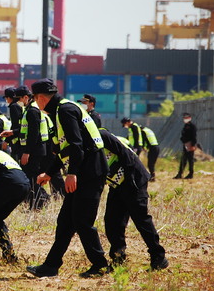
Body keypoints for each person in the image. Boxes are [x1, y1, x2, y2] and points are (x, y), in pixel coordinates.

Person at [26, 79, 110, 278]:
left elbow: (76, 145)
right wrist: (49, 173)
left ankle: (101, 265)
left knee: (82, 221)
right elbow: (64, 150)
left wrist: (72, 173)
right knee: (65, 221)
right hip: (84, 169)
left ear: (40, 98)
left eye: (35, 100)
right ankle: (51, 266)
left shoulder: (65, 111)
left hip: (89, 170)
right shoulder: (59, 112)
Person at [99, 128, 168, 271]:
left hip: (133, 179)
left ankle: (158, 257)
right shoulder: (83, 143)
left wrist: (131, 180)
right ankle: (118, 258)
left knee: (141, 219)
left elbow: (126, 154)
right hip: (117, 184)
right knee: (112, 221)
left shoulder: (102, 135)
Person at [16, 85, 51, 209]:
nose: (17, 102)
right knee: (31, 177)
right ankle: (38, 201)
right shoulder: (30, 109)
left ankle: (39, 202)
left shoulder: (32, 111)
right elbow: (27, 130)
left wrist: (27, 152)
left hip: (34, 151)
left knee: (30, 178)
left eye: (18, 99)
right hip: (35, 149)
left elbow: (33, 134)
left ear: (26, 97)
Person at [1, 87, 23, 162]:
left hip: (17, 141)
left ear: (9, 98)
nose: (6, 100)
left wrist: (6, 140)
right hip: (21, 138)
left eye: (6, 98)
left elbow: (15, 125)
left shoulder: (14, 107)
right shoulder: (20, 105)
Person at [173, 112, 197, 179]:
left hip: (190, 144)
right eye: (184, 118)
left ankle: (191, 174)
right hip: (185, 144)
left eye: (186, 117)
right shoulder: (185, 126)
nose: (185, 119)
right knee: (183, 159)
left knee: (190, 160)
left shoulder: (192, 126)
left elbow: (194, 136)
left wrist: (192, 145)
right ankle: (180, 173)